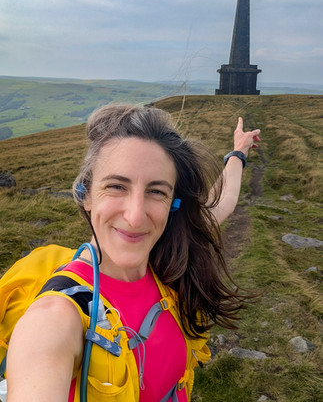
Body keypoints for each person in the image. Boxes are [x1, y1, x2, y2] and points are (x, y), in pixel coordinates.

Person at [6, 104, 260, 402]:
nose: (137, 217)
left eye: (156, 191)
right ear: (85, 195)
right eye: (116, 186)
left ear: (172, 204)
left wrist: (238, 152)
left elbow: (223, 203)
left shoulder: (164, 253)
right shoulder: (55, 318)